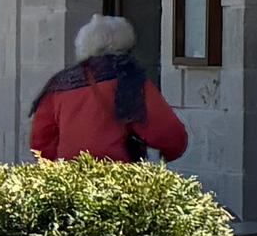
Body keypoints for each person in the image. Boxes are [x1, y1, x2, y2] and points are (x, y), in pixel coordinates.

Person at [28, 13, 189, 163]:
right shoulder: (130, 80)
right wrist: (167, 154)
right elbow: (170, 134)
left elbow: (41, 143)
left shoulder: (60, 83)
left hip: (69, 179)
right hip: (117, 177)